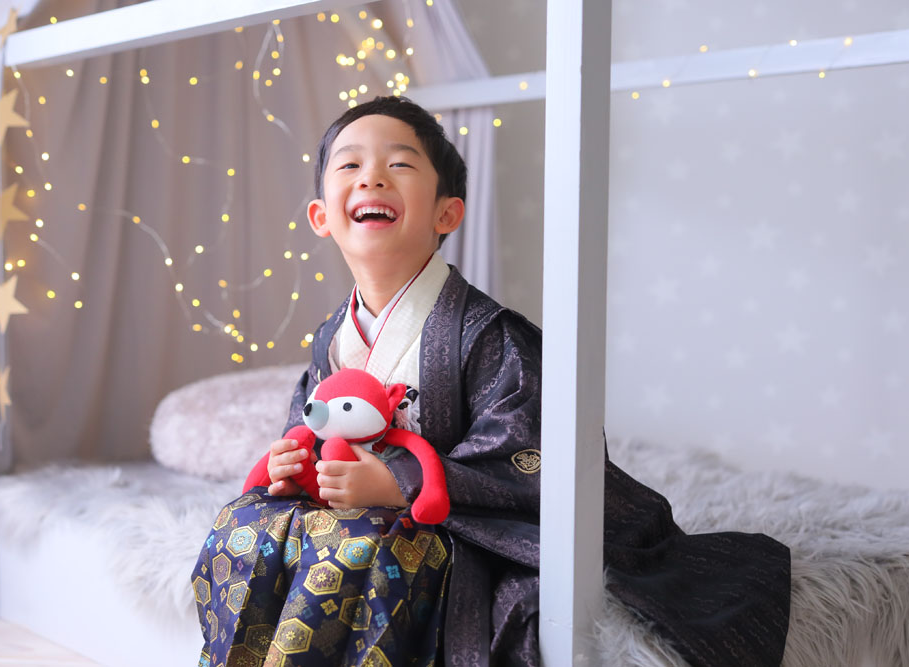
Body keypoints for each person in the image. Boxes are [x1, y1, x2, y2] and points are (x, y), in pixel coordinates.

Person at [193, 96, 791, 667]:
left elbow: (531, 454)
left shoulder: (489, 335)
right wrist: (294, 464)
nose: (371, 177)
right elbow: (310, 422)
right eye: (349, 165)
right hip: (356, 509)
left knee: (355, 548)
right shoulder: (331, 337)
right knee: (242, 525)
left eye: (399, 165)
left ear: (447, 213)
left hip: (455, 524)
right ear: (322, 216)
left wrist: (400, 482)